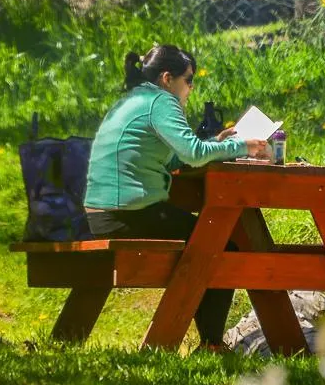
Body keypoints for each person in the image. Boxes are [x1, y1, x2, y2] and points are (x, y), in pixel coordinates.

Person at [84, 44, 271, 350]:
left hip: (105, 213)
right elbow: (193, 154)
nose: (191, 88)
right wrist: (244, 147)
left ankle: (211, 342)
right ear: (168, 78)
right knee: (220, 246)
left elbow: (173, 159)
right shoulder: (161, 101)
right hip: (128, 215)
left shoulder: (135, 99)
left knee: (210, 241)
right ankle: (212, 344)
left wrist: (216, 143)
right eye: (189, 80)